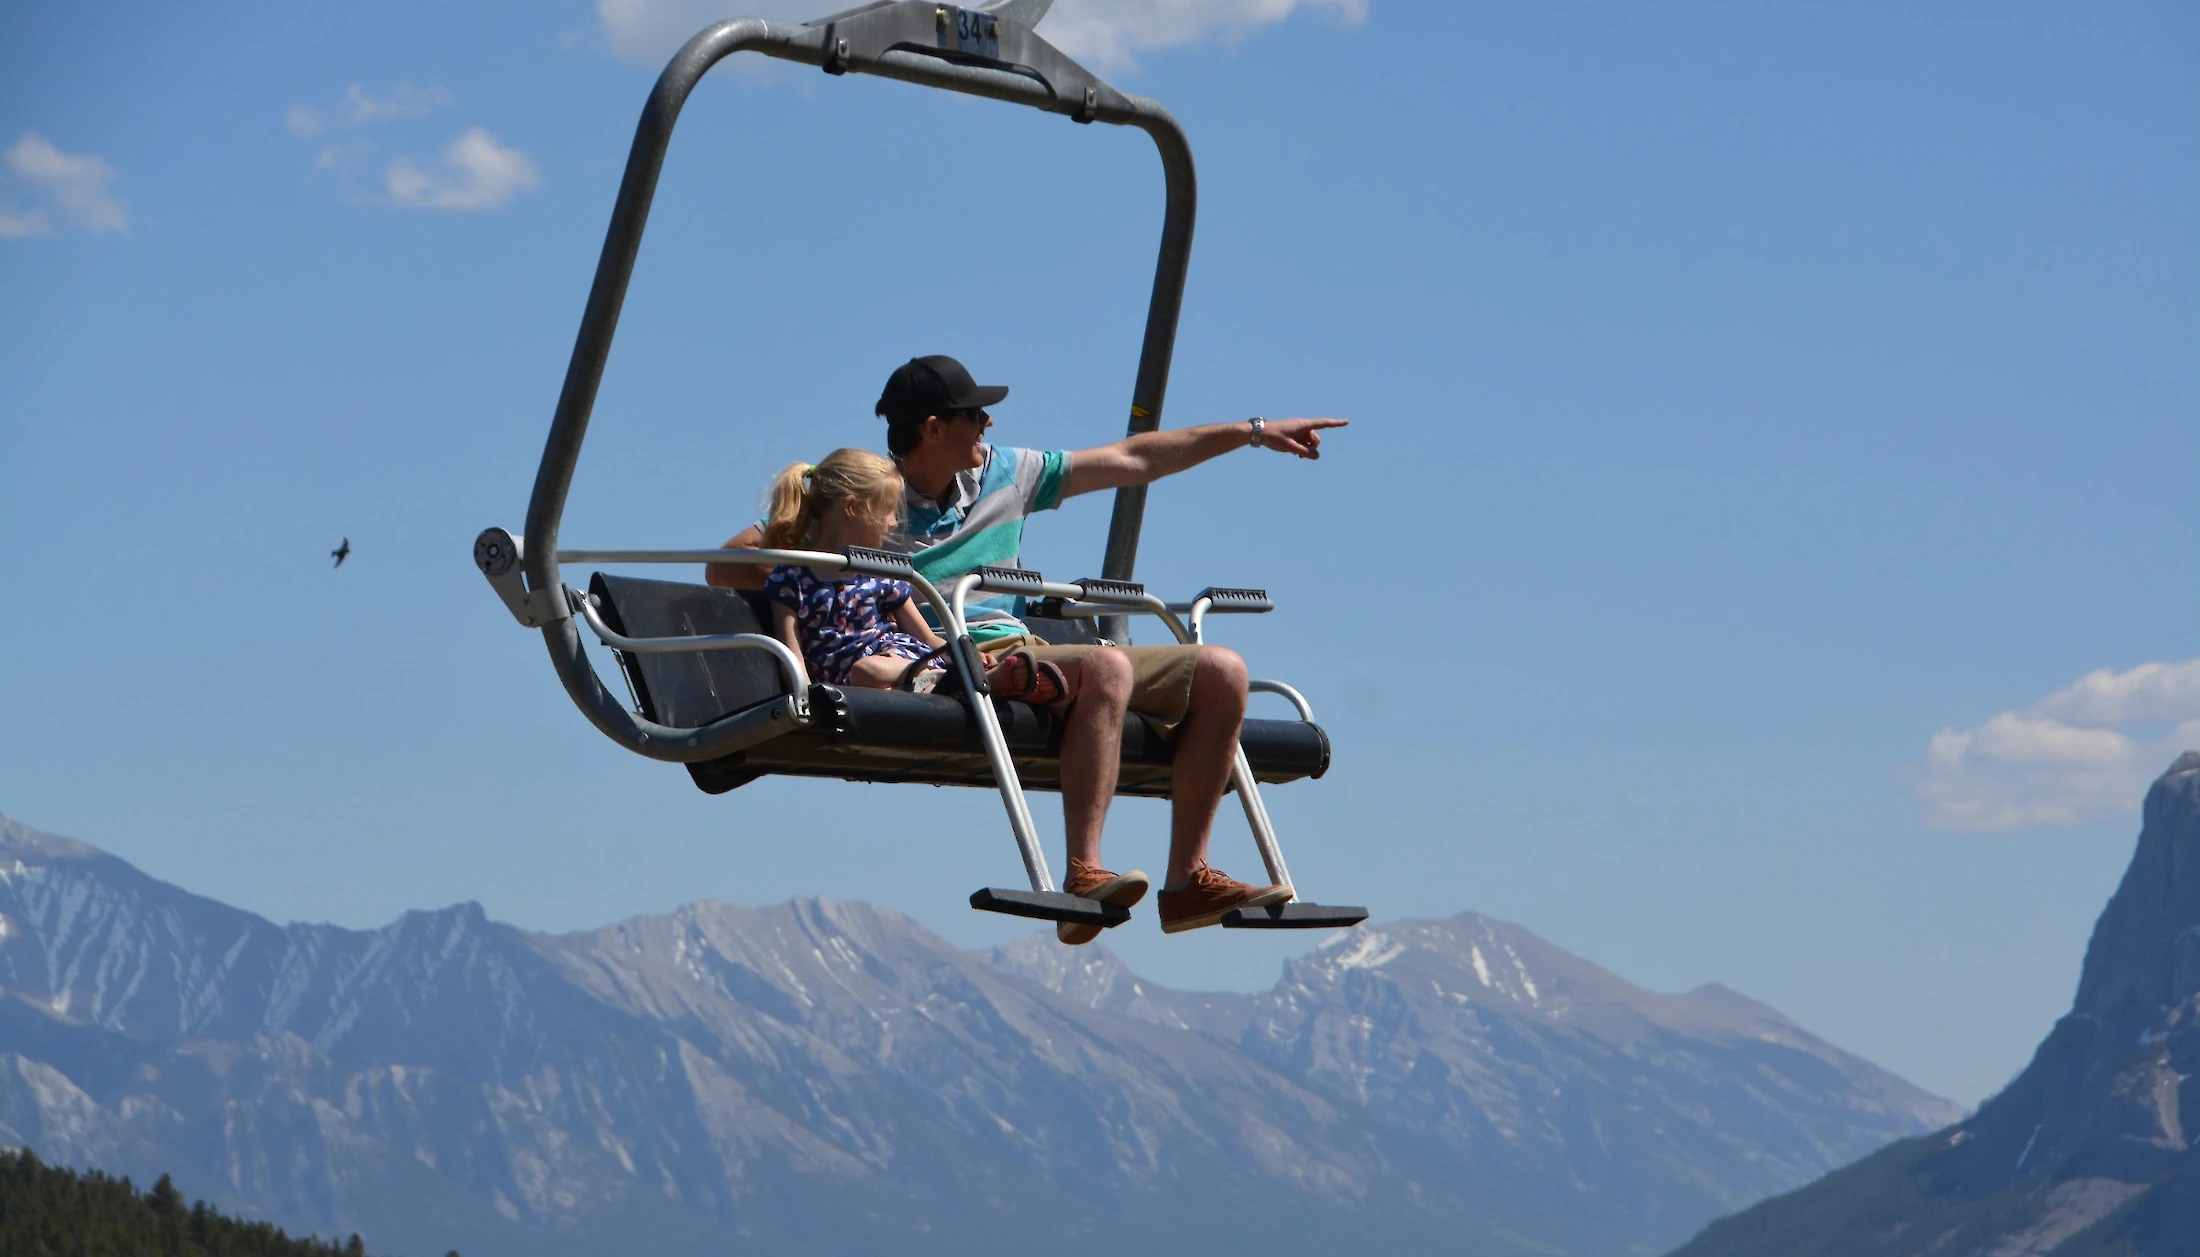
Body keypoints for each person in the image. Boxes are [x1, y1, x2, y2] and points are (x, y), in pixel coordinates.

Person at [710, 355, 1348, 944]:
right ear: (934, 429)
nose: (989, 422)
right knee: (1104, 663)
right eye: (974, 414)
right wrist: (830, 574)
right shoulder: (871, 503)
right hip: (965, 658)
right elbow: (730, 565)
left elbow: (1135, 459)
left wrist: (1252, 431)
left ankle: (1187, 882)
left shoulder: (1009, 475)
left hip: (1030, 648)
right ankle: (1085, 871)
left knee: (1223, 671)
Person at [754, 447, 1067, 703]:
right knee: (870, 678)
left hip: (896, 662)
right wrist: (807, 697)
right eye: (887, 510)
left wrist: (960, 655)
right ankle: (972, 684)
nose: (893, 523)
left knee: (869, 671)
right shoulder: (791, 579)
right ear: (851, 508)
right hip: (860, 684)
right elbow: (791, 650)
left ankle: (970, 677)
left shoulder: (880, 572)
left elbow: (926, 637)